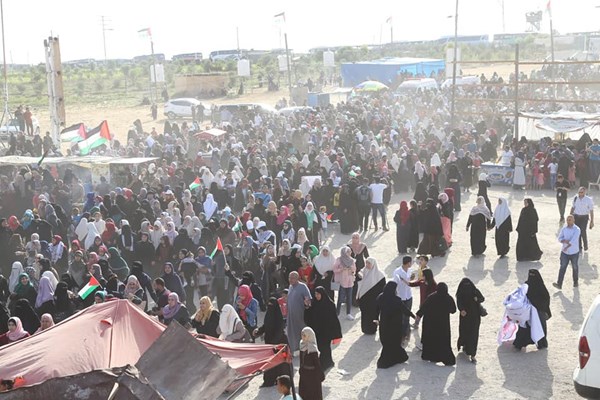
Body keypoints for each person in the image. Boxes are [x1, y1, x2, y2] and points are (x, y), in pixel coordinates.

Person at [374, 281, 415, 368]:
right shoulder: (397, 300)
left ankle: (389, 360)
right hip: (395, 326)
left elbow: (376, 309)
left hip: (384, 325)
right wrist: (413, 316)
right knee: (395, 343)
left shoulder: (381, 297)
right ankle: (397, 358)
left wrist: (376, 318)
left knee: (386, 343)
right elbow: (405, 310)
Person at [416, 282, 457, 366]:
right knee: (443, 341)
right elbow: (453, 310)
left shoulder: (431, 297)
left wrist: (418, 318)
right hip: (443, 324)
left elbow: (423, 308)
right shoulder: (448, 298)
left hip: (430, 324)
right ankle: (445, 358)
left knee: (431, 340)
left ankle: (431, 356)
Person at [304, 286, 342, 370]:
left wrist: (336, 333)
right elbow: (309, 316)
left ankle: (325, 364)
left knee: (325, 348)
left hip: (326, 332)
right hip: (317, 331)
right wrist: (307, 307)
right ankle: (329, 362)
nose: (317, 296)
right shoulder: (314, 303)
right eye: (316, 294)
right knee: (321, 347)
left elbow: (334, 319)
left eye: (318, 294)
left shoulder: (330, 304)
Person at [254, 298, 288, 387]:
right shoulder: (268, 314)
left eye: (271, 305)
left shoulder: (279, 318)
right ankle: (269, 381)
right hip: (270, 343)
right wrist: (258, 331)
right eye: (268, 304)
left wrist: (274, 343)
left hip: (280, 344)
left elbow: (279, 331)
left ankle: (283, 382)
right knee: (269, 364)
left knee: (282, 364)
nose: (270, 307)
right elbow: (266, 326)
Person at [513, 269, 551, 350]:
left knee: (529, 327)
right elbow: (546, 298)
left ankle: (521, 343)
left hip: (533, 311)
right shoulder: (538, 285)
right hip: (532, 311)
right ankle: (540, 344)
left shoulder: (528, 285)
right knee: (537, 327)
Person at [456, 278, 485, 363]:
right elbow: (459, 303)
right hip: (469, 317)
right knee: (469, 334)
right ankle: (466, 347)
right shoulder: (465, 292)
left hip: (471, 317)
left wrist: (477, 299)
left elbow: (482, 298)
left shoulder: (474, 291)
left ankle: (472, 353)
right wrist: (461, 310)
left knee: (471, 334)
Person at [356, 257, 386, 335]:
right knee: (365, 315)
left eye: (369, 263)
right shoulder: (363, 272)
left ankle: (372, 329)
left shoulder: (380, 275)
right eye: (366, 263)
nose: (367, 265)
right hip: (364, 299)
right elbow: (358, 280)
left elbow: (382, 288)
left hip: (374, 300)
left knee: (373, 315)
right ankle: (365, 329)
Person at [553, 215, 581, 289]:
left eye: (570, 220)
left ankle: (575, 282)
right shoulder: (564, 228)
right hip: (565, 253)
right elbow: (559, 238)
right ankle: (559, 284)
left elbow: (573, 241)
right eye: (568, 220)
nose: (568, 221)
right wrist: (564, 241)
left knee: (575, 267)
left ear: (573, 220)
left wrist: (566, 246)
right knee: (562, 267)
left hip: (574, 252)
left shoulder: (577, 229)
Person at [286, 271, 311, 353]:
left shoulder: (303, 287)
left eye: (292, 278)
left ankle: (305, 348)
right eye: (289, 278)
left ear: (297, 278)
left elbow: (308, 300)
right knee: (291, 332)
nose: (290, 280)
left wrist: (307, 303)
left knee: (302, 332)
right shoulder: (290, 287)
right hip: (291, 315)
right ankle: (294, 348)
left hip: (300, 315)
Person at [392, 256, 414, 347]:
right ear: (408, 263)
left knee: (407, 316)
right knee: (401, 317)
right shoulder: (397, 272)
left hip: (408, 296)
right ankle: (402, 335)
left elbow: (410, 281)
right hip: (400, 297)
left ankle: (407, 333)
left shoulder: (410, 271)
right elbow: (395, 284)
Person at [298, 327, 325, 400]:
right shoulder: (302, 344)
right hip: (304, 373)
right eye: (302, 335)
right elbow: (301, 359)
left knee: (313, 394)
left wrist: (320, 374)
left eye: (304, 335)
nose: (302, 337)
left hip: (312, 375)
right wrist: (301, 369)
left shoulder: (312, 348)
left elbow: (316, 363)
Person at [333, 247, 356, 320]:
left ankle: (348, 313)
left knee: (349, 298)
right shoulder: (339, 260)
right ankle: (337, 313)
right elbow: (334, 269)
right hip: (342, 282)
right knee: (340, 298)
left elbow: (354, 270)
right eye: (348, 251)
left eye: (350, 251)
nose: (350, 253)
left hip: (349, 281)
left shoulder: (352, 260)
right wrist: (341, 269)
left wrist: (352, 270)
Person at [570, 186, 594, 252]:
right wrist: (570, 216)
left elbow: (591, 210)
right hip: (576, 217)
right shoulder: (575, 198)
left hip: (584, 217)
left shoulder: (588, 200)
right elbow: (573, 207)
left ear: (584, 192)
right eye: (579, 192)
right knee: (577, 232)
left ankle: (585, 245)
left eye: (582, 192)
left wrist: (592, 221)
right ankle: (579, 247)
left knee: (583, 231)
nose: (580, 193)